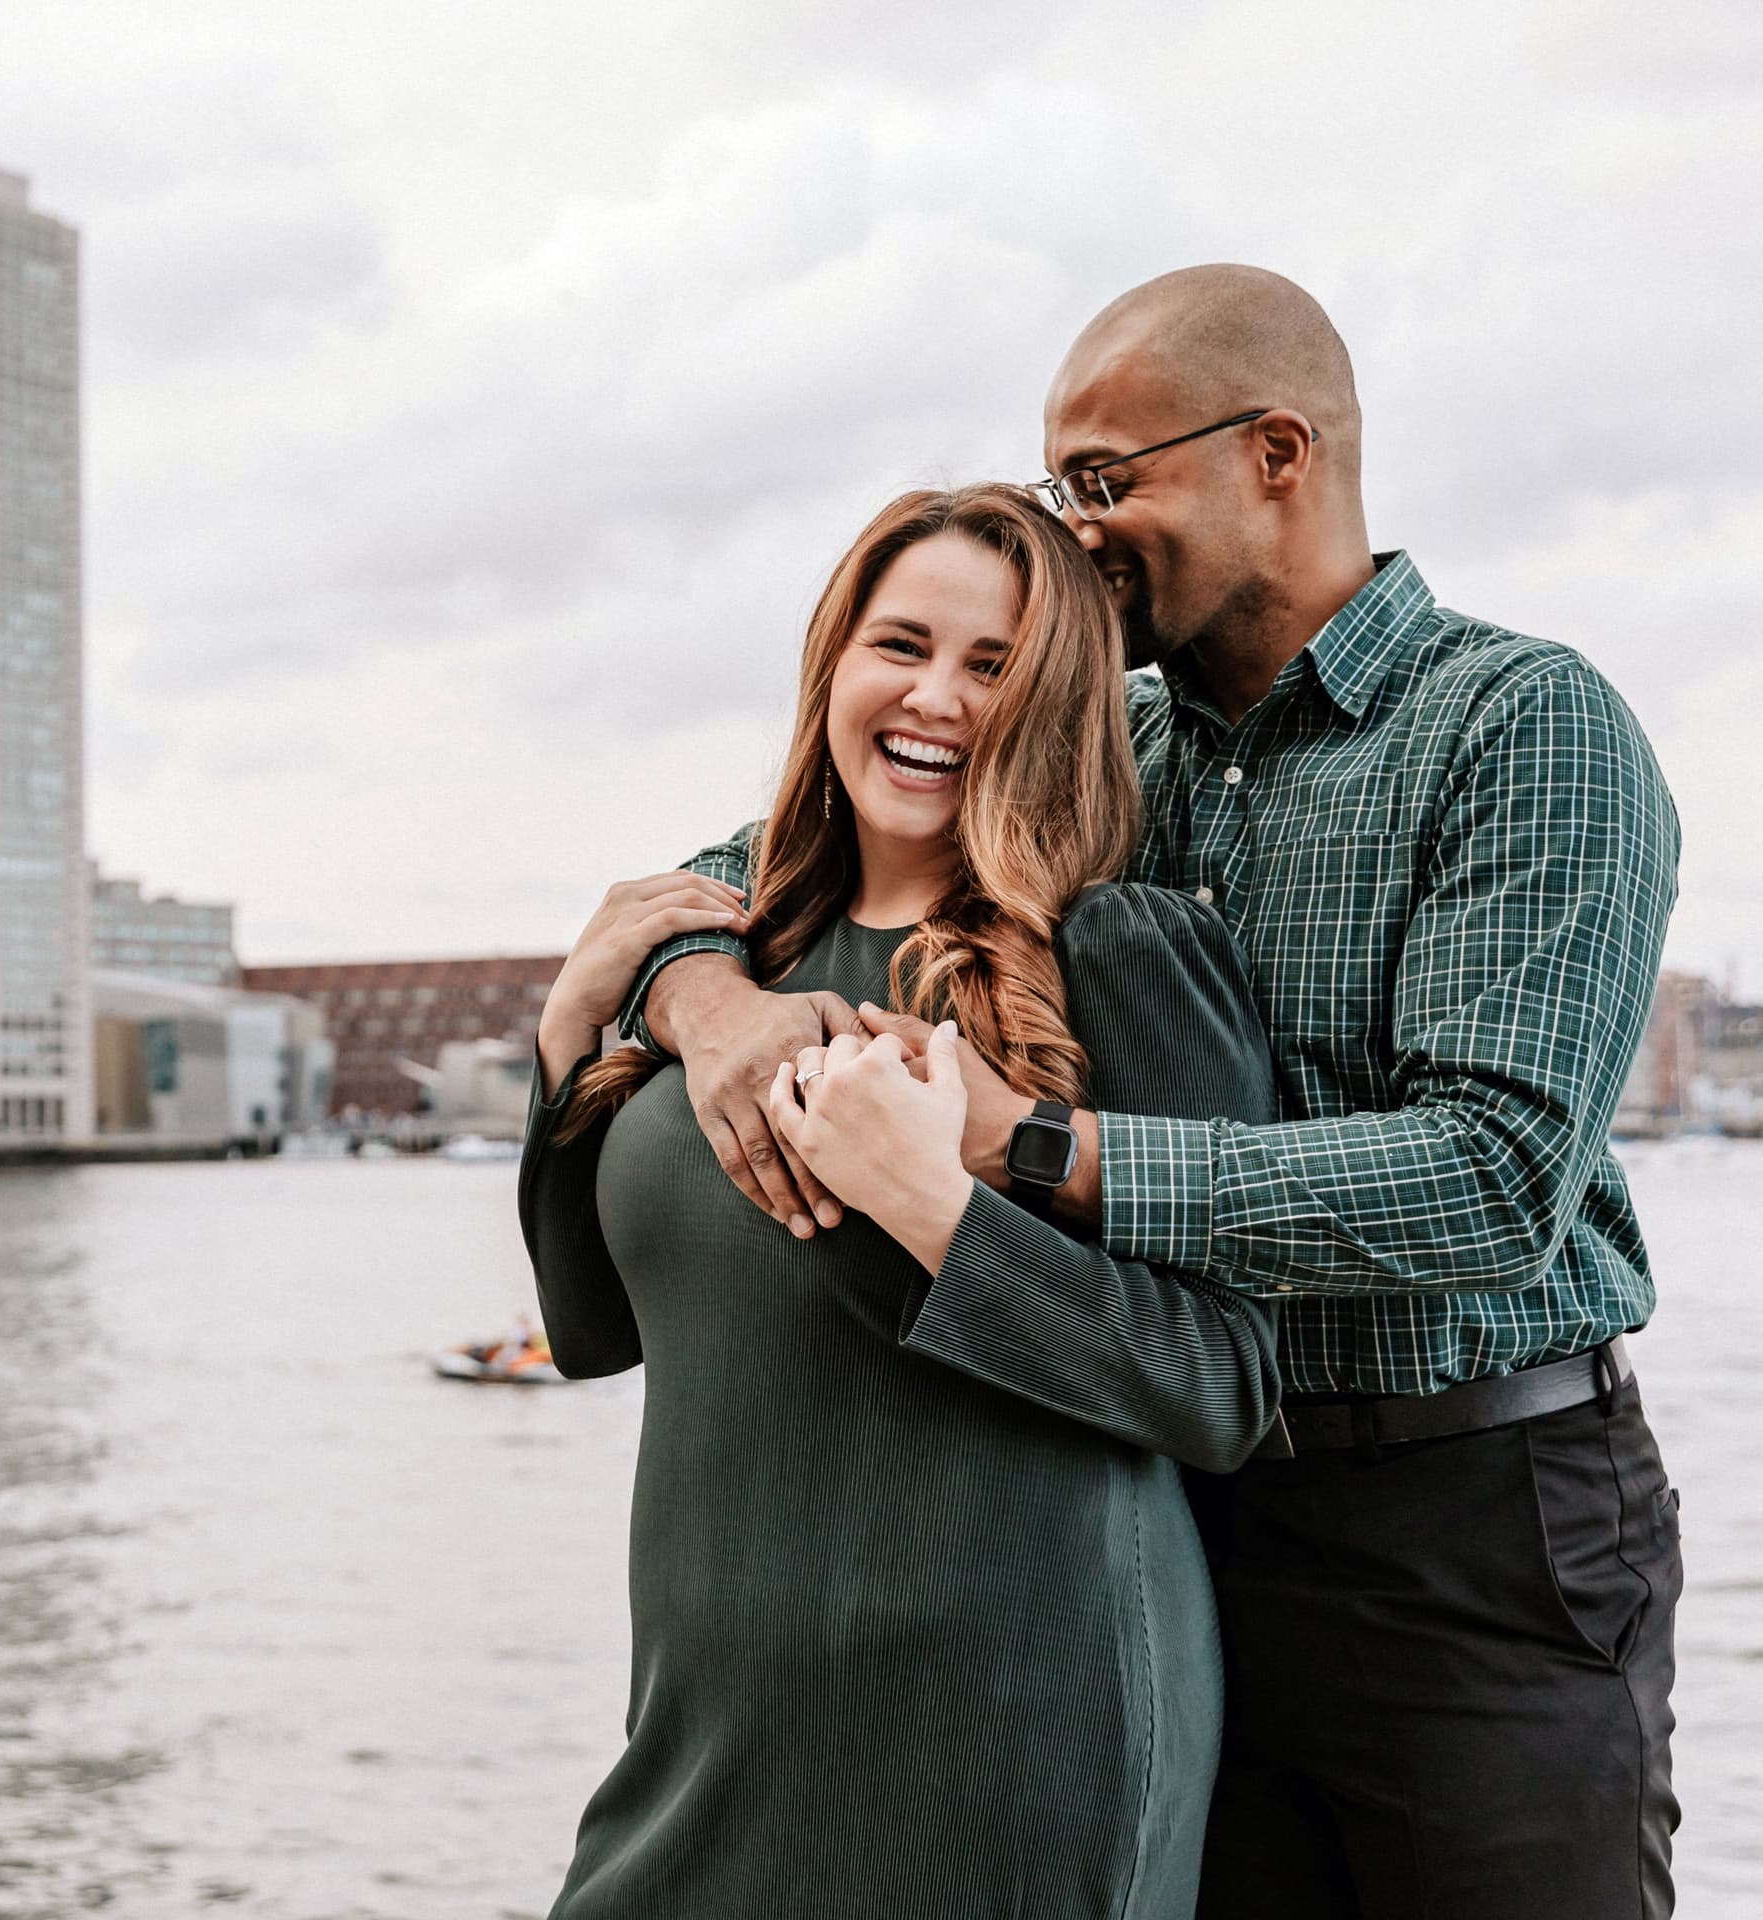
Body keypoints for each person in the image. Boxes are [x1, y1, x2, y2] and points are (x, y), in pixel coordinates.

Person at [619, 266, 1684, 1920]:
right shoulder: (1106, 744)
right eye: (1060, 487)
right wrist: (699, 999)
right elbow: (761, 868)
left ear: (1278, 452)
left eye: (1107, 483)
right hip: (1178, 1516)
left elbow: (1493, 1179)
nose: (1080, 531)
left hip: (1474, 1531)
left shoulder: (1525, 726)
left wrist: (1027, 1147)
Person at [520, 484, 1284, 1919]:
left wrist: (940, 1211)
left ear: (1055, 706)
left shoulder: (1125, 949)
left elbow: (1224, 1386)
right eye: (902, 643)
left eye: (992, 666)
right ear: (834, 664)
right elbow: (591, 1331)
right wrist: (568, 1044)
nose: (935, 695)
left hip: (1005, 1731)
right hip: (706, 1736)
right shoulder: (728, 951)